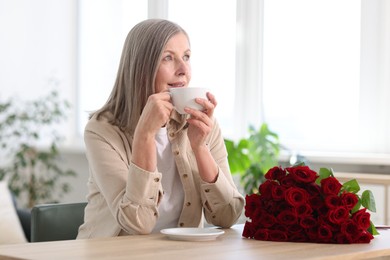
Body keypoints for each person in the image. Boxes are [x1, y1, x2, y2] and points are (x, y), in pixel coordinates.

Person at [77, 19, 244, 239]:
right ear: (141, 67)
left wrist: (200, 147)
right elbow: (138, 223)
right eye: (168, 58)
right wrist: (145, 135)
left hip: (179, 254)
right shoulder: (101, 131)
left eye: (186, 57)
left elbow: (228, 216)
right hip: (112, 254)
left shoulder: (202, 125)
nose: (184, 70)